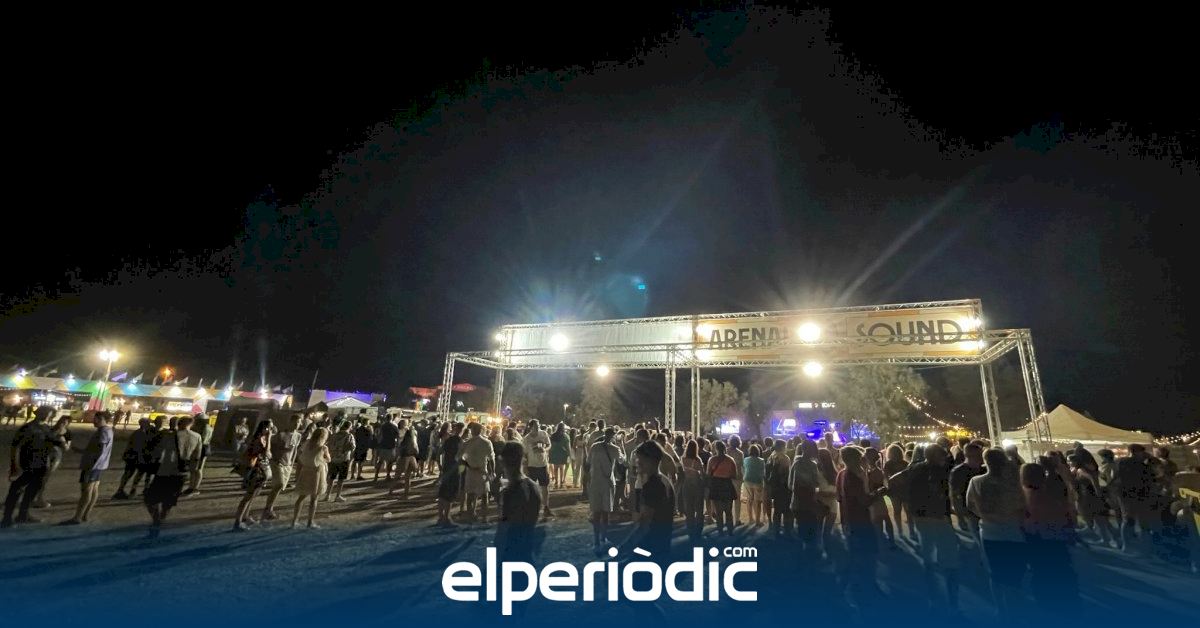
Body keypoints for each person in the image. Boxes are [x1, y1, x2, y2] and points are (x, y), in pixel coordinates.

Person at [967, 448, 1027, 620]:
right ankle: (1017, 607)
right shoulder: (1014, 482)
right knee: (1016, 572)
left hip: (990, 532)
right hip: (1014, 531)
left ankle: (1001, 608)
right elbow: (1023, 504)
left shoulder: (976, 482)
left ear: (985, 461)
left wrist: (986, 516)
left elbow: (969, 505)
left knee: (996, 572)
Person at [906, 443, 961, 613]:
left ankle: (933, 595)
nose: (944, 457)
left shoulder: (914, 469)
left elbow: (905, 489)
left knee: (928, 552)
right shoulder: (939, 471)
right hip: (937, 517)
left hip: (920, 517)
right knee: (950, 559)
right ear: (935, 456)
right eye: (942, 455)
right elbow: (942, 493)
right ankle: (952, 601)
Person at [1021, 462, 1080, 616]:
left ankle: (1048, 607)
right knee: (1062, 573)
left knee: (1042, 574)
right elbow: (1066, 515)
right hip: (1056, 538)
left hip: (1037, 540)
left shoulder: (1023, 496)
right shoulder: (1050, 494)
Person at [495, 440, 543, 617]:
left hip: (512, 554)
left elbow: (504, 529)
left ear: (503, 460)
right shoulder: (533, 486)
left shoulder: (511, 491)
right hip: (527, 552)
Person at [3, 406, 63, 527]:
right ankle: (7, 518)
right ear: (38, 413)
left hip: (42, 465)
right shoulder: (28, 428)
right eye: (46, 413)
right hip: (27, 464)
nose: (48, 416)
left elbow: (54, 443)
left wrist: (60, 438)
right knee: (16, 491)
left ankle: (23, 515)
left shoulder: (47, 428)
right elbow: (15, 446)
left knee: (32, 491)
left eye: (50, 414)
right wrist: (14, 465)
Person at [836, 446, 883, 600]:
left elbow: (839, 498)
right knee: (868, 553)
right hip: (860, 519)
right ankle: (865, 586)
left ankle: (850, 587)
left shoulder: (842, 474)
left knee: (855, 554)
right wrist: (878, 493)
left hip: (850, 519)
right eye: (860, 458)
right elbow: (864, 501)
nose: (862, 460)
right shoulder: (853, 477)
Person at [144, 416, 202, 538]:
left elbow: (157, 452)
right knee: (169, 502)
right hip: (181, 473)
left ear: (178, 424)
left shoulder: (169, 436)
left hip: (165, 470)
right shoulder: (197, 437)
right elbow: (196, 457)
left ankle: (156, 519)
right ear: (191, 424)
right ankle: (160, 521)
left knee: (150, 499)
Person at [620, 440, 675, 562]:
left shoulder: (652, 485)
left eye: (640, 460)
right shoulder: (664, 481)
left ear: (650, 460)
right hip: (662, 546)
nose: (637, 463)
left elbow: (645, 524)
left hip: (649, 548)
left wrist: (623, 547)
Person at [62, 411, 113, 525]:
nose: (94, 421)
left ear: (102, 419)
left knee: (86, 491)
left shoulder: (103, 432)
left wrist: (93, 464)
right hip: (99, 465)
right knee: (94, 489)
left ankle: (78, 517)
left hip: (92, 465)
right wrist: (81, 451)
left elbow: (100, 449)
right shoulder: (108, 430)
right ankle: (85, 515)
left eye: (97, 419)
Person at [1114, 443, 1158, 554]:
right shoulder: (1142, 465)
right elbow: (1152, 477)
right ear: (1138, 452)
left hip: (1124, 495)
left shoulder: (1120, 462)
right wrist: (1150, 459)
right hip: (1139, 495)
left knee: (1127, 520)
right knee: (1143, 523)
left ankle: (1127, 546)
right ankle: (1145, 549)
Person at [232, 419, 273, 531]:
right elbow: (266, 453)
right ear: (264, 428)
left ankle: (245, 516)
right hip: (256, 470)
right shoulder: (258, 439)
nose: (271, 430)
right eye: (270, 428)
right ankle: (237, 522)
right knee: (248, 496)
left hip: (261, 470)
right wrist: (269, 438)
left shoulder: (263, 438)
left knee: (253, 495)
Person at [588, 427, 623, 551]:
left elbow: (588, 461)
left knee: (596, 512)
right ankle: (603, 537)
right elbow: (622, 461)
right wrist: (621, 445)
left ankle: (596, 540)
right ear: (613, 436)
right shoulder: (615, 449)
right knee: (606, 512)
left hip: (595, 481)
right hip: (608, 482)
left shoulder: (594, 446)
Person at [261, 415, 302, 520]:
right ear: (290, 422)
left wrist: (292, 463)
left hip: (287, 464)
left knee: (279, 487)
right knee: (279, 484)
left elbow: (295, 450)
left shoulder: (298, 435)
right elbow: (272, 447)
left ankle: (269, 508)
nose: (297, 424)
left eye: (298, 422)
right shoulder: (281, 434)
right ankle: (268, 509)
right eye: (295, 422)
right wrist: (274, 459)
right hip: (278, 462)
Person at [292, 427, 331, 529]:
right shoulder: (323, 447)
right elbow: (328, 459)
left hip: (305, 471)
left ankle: (294, 521)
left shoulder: (307, 443)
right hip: (317, 472)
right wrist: (322, 459)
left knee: (301, 497)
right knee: (314, 498)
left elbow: (301, 455)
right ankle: (310, 522)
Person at [33, 415, 73, 508]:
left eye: (65, 422)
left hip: (56, 456)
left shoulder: (68, 433)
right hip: (44, 454)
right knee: (40, 476)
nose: (62, 423)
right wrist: (55, 433)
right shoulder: (50, 430)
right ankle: (35, 498)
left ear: (68, 424)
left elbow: (67, 448)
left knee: (45, 477)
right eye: (61, 421)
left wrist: (63, 441)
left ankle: (39, 498)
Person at [459, 422, 495, 523]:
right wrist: (492, 471)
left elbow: (460, 458)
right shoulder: (486, 442)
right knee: (484, 495)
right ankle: (484, 517)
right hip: (482, 471)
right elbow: (491, 459)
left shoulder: (467, 443)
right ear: (481, 430)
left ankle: (471, 515)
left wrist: (467, 466)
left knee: (470, 495)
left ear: (472, 431)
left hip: (470, 472)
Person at [949, 442, 985, 541]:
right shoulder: (958, 472)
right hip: (970, 513)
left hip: (986, 512)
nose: (981, 456)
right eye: (979, 454)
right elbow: (954, 495)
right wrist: (960, 517)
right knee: (978, 539)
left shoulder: (983, 469)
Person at [522, 419, 553, 519]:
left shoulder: (543, 434)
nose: (537, 427)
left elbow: (549, 445)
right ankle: (531, 509)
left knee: (545, 487)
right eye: (535, 426)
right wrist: (525, 468)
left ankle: (546, 508)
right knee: (532, 489)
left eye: (538, 425)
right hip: (532, 466)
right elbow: (524, 454)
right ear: (530, 427)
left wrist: (545, 449)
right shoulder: (526, 439)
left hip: (543, 465)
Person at [706, 440, 738, 536]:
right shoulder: (730, 460)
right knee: (728, 511)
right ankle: (730, 530)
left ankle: (720, 531)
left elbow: (708, 474)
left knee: (718, 512)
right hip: (727, 485)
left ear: (716, 449)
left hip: (716, 485)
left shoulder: (712, 460)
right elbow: (735, 475)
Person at [435, 423, 464, 526]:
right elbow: (461, 459)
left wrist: (440, 467)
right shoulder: (460, 442)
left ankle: (440, 517)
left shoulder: (448, 440)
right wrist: (461, 471)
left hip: (446, 468)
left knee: (442, 492)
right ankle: (447, 517)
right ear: (462, 430)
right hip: (454, 470)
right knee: (451, 494)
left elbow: (438, 454)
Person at [765, 439, 793, 537]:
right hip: (784, 487)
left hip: (774, 486)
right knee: (787, 510)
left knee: (777, 509)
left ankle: (776, 530)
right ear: (783, 447)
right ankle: (787, 531)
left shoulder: (771, 456)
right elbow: (786, 473)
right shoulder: (784, 458)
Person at [325, 421, 356, 502]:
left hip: (334, 458)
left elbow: (329, 445)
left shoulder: (334, 435)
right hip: (344, 459)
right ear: (349, 427)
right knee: (341, 479)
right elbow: (352, 447)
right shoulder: (349, 436)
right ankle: (337, 496)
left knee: (331, 478)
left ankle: (327, 495)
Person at [392, 420, 420, 498]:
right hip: (410, 455)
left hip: (405, 455)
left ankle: (395, 491)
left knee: (399, 474)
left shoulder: (404, 432)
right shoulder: (412, 432)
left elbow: (399, 444)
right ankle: (405, 493)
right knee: (407, 476)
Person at [186, 413, 212, 495]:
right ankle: (191, 487)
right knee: (193, 469)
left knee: (198, 469)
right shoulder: (203, 427)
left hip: (202, 449)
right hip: (199, 448)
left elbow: (202, 441)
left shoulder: (206, 428)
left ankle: (195, 488)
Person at [742, 444, 766, 526]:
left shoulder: (746, 460)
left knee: (749, 499)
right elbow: (763, 472)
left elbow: (744, 469)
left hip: (747, 480)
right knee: (758, 501)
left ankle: (750, 519)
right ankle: (757, 521)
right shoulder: (761, 461)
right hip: (758, 481)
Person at [373, 415, 399, 481]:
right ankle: (388, 475)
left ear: (386, 418)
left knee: (380, 461)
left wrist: (379, 444)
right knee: (390, 462)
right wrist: (397, 445)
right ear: (391, 418)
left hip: (382, 446)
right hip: (391, 446)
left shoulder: (382, 426)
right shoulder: (394, 427)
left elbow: (379, 436)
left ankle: (376, 476)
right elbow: (397, 437)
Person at [549, 422, 571, 489]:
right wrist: (569, 454)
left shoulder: (553, 435)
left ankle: (556, 482)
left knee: (555, 468)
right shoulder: (565, 436)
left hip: (554, 453)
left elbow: (550, 444)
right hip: (562, 453)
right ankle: (561, 482)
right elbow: (568, 447)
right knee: (561, 468)